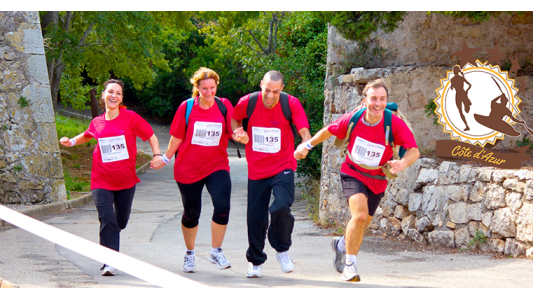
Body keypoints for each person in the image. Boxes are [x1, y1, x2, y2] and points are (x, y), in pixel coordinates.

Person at [293, 78, 419, 282]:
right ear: (364, 100)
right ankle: (350, 265)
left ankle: (342, 244)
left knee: (363, 222)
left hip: (377, 178)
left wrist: (402, 163)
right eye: (373, 98)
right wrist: (307, 146)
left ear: (387, 101)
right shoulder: (354, 119)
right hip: (352, 172)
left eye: (382, 99)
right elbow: (329, 130)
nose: (377, 103)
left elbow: (413, 150)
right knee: (359, 216)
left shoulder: (393, 123)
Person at [59, 79, 161, 276]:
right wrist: (71, 141)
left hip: (126, 180)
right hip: (101, 179)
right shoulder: (97, 121)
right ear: (104, 95)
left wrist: (157, 155)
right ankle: (109, 262)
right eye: (110, 92)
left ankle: (112, 240)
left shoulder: (131, 118)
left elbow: (151, 135)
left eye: (118, 93)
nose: (114, 96)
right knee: (107, 219)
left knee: (119, 222)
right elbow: (88, 134)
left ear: (121, 98)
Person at [151, 67, 234, 273]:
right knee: (191, 213)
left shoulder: (224, 106)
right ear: (197, 88)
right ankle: (190, 253)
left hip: (217, 165)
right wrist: (166, 157)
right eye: (204, 88)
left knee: (222, 206)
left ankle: (216, 250)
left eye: (212, 88)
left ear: (216, 86)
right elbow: (177, 137)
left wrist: (240, 136)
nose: (208, 92)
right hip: (188, 168)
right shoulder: (187, 107)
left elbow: (232, 130)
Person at [231, 70, 311, 278]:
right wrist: (238, 132)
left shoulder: (290, 103)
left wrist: (305, 145)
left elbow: (304, 131)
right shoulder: (247, 102)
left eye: (275, 91)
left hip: (283, 166)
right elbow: (234, 119)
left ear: (281, 89)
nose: (270, 95)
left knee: (282, 205)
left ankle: (282, 249)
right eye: (267, 90)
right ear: (261, 85)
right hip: (257, 169)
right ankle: (255, 261)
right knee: (255, 217)